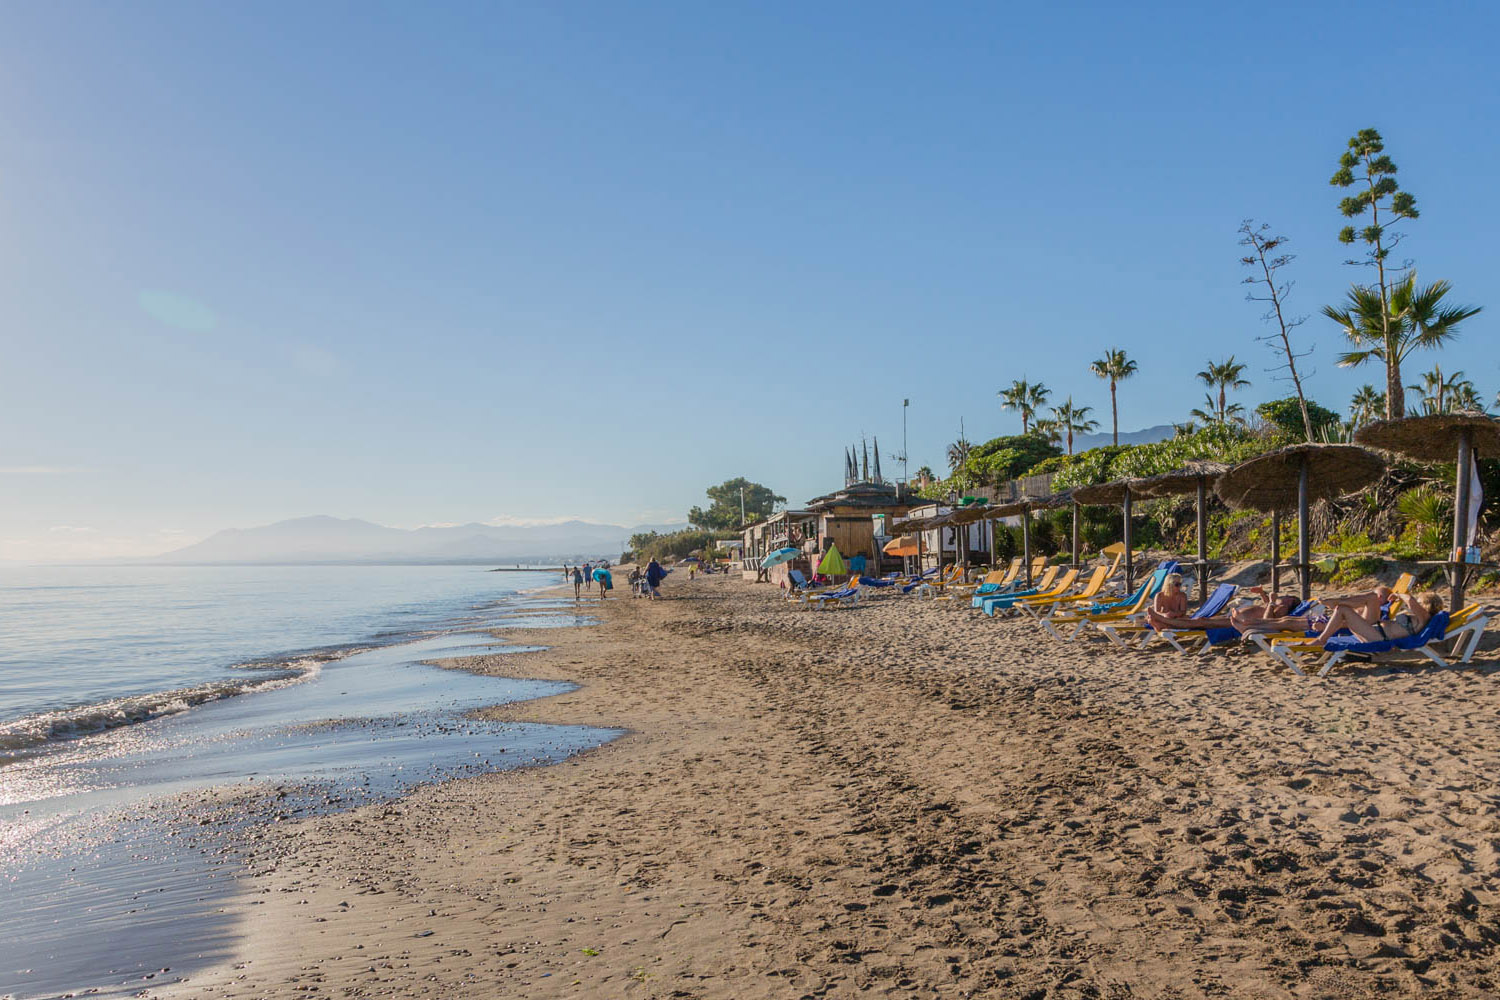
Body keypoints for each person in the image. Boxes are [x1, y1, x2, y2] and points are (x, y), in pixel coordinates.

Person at [1310, 591, 1442, 646]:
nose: (1417, 602)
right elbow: (1411, 601)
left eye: (1420, 601)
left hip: (1377, 637)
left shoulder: (1424, 617)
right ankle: (1336, 601)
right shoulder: (1420, 616)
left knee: (1342, 610)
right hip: (1375, 627)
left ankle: (1321, 640)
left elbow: (1409, 599)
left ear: (1425, 605)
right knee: (1373, 597)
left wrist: (1398, 595)